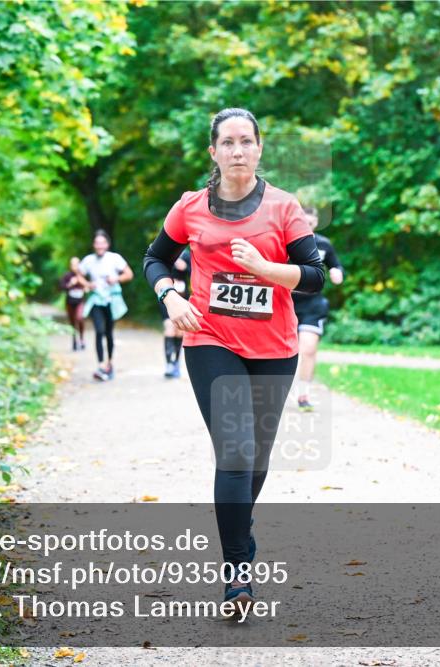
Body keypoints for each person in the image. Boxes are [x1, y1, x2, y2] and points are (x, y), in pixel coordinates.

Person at [142, 107, 324, 611]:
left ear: (259, 149)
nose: (238, 150)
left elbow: (314, 277)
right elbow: (155, 258)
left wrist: (266, 268)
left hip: (275, 347)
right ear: (214, 152)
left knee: (256, 459)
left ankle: (237, 527)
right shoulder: (190, 207)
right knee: (237, 453)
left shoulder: (284, 207)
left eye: (246, 141)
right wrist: (170, 296)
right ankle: (237, 574)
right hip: (210, 339)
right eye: (228, 142)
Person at [291, 206, 344, 411]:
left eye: (311, 223)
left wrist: (337, 272)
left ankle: (303, 394)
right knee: (279, 352)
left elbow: (336, 265)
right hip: (285, 303)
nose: (308, 225)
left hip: (312, 305)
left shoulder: (323, 244)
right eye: (304, 221)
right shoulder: (285, 241)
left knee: (308, 349)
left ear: (316, 223)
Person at [78, 229, 133, 381]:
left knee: (109, 332)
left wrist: (116, 279)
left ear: (107, 244)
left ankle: (110, 363)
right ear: (93, 245)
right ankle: (101, 365)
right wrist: (88, 284)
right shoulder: (88, 260)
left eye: (102, 243)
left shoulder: (115, 258)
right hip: (96, 300)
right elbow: (79, 276)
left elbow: (129, 274)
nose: (99, 246)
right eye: (97, 243)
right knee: (99, 331)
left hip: (111, 300)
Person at [158, 247, 191, 378]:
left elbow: (196, 274)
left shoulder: (187, 255)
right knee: (169, 328)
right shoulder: (165, 251)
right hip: (167, 297)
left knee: (179, 331)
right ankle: (169, 364)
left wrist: (185, 268)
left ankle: (176, 363)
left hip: (183, 297)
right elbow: (157, 270)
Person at [58, 256, 87, 351]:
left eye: (77, 264)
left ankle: (82, 339)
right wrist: (70, 284)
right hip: (70, 302)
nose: (75, 266)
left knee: (79, 318)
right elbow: (61, 287)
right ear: (70, 266)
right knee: (72, 322)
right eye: (73, 264)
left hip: (80, 301)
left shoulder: (82, 275)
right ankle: (74, 340)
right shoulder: (67, 276)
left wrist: (86, 288)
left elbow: (88, 285)